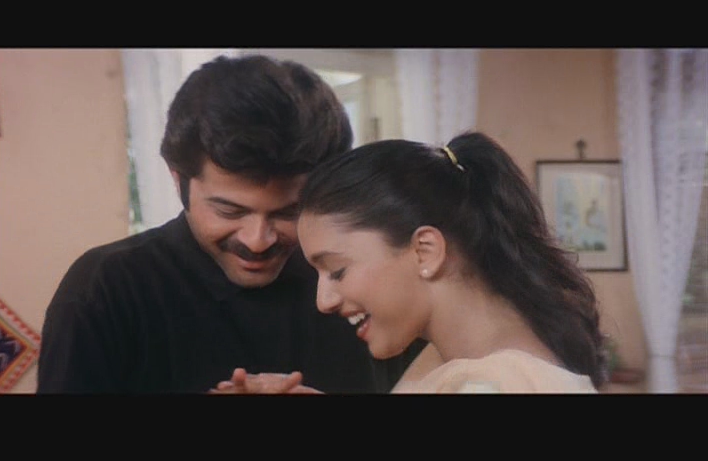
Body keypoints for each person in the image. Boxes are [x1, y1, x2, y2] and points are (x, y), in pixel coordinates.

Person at [36, 53, 423, 394]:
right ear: (177, 180)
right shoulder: (105, 289)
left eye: (288, 213)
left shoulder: (367, 283)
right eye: (230, 212)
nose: (257, 241)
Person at [216, 131, 609, 394]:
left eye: (337, 271)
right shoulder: (455, 361)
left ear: (426, 250)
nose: (324, 301)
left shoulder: (493, 383)